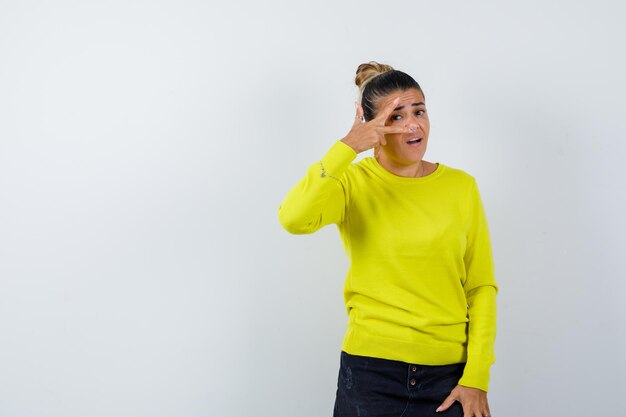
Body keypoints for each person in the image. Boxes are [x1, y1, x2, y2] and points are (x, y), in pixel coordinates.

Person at [278, 62, 497, 417]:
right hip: (370, 373)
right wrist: (348, 146)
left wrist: (477, 377)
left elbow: (481, 286)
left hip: (448, 378)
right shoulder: (351, 183)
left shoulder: (462, 187)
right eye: (396, 117)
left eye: (419, 111)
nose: (414, 125)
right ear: (373, 128)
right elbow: (293, 218)